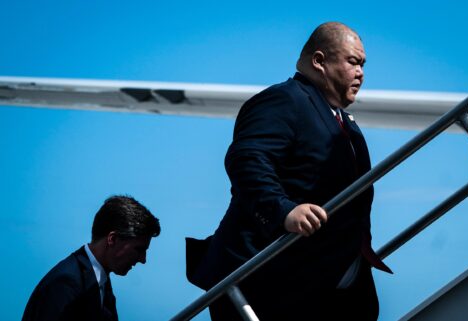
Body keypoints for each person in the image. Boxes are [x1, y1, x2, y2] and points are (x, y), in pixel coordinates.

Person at [186, 22, 392, 320]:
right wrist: (284, 211)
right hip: (273, 284)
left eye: (363, 65)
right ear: (318, 61)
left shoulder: (347, 124)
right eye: (352, 61)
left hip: (332, 282)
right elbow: (247, 160)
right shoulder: (284, 100)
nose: (361, 72)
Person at [22, 195, 161, 321]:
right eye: (139, 249)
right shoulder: (66, 283)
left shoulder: (99, 280)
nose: (143, 260)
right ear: (112, 239)